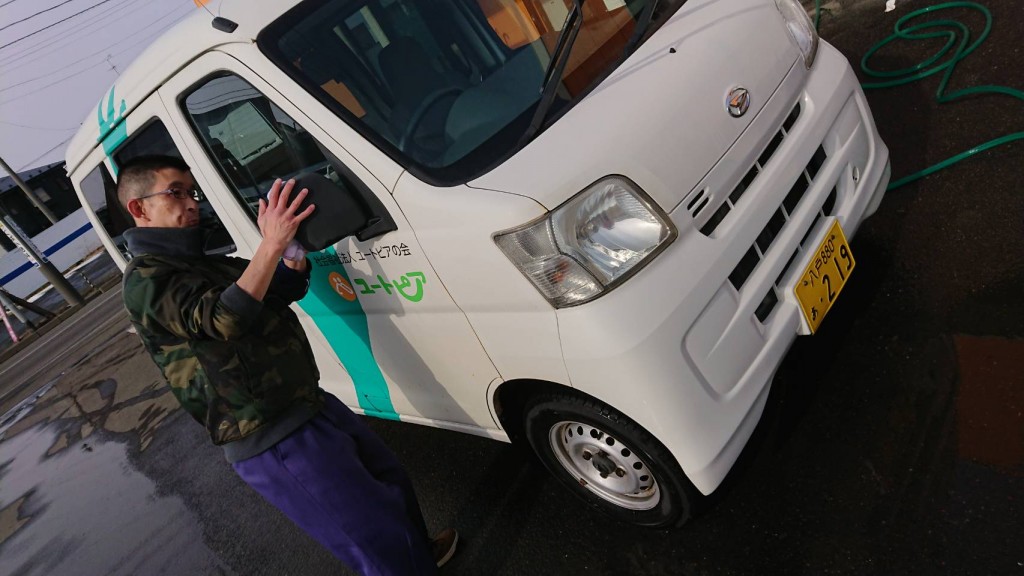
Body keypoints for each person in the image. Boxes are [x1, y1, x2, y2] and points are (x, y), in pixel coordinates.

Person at [117, 155, 457, 575]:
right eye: (176, 193)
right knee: (369, 532)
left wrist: (292, 253)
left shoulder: (199, 259)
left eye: (192, 192)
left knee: (389, 484)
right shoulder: (146, 280)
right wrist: (270, 245)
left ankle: (419, 556)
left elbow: (273, 292)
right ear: (139, 207)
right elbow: (223, 319)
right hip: (270, 433)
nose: (191, 203)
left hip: (306, 401)